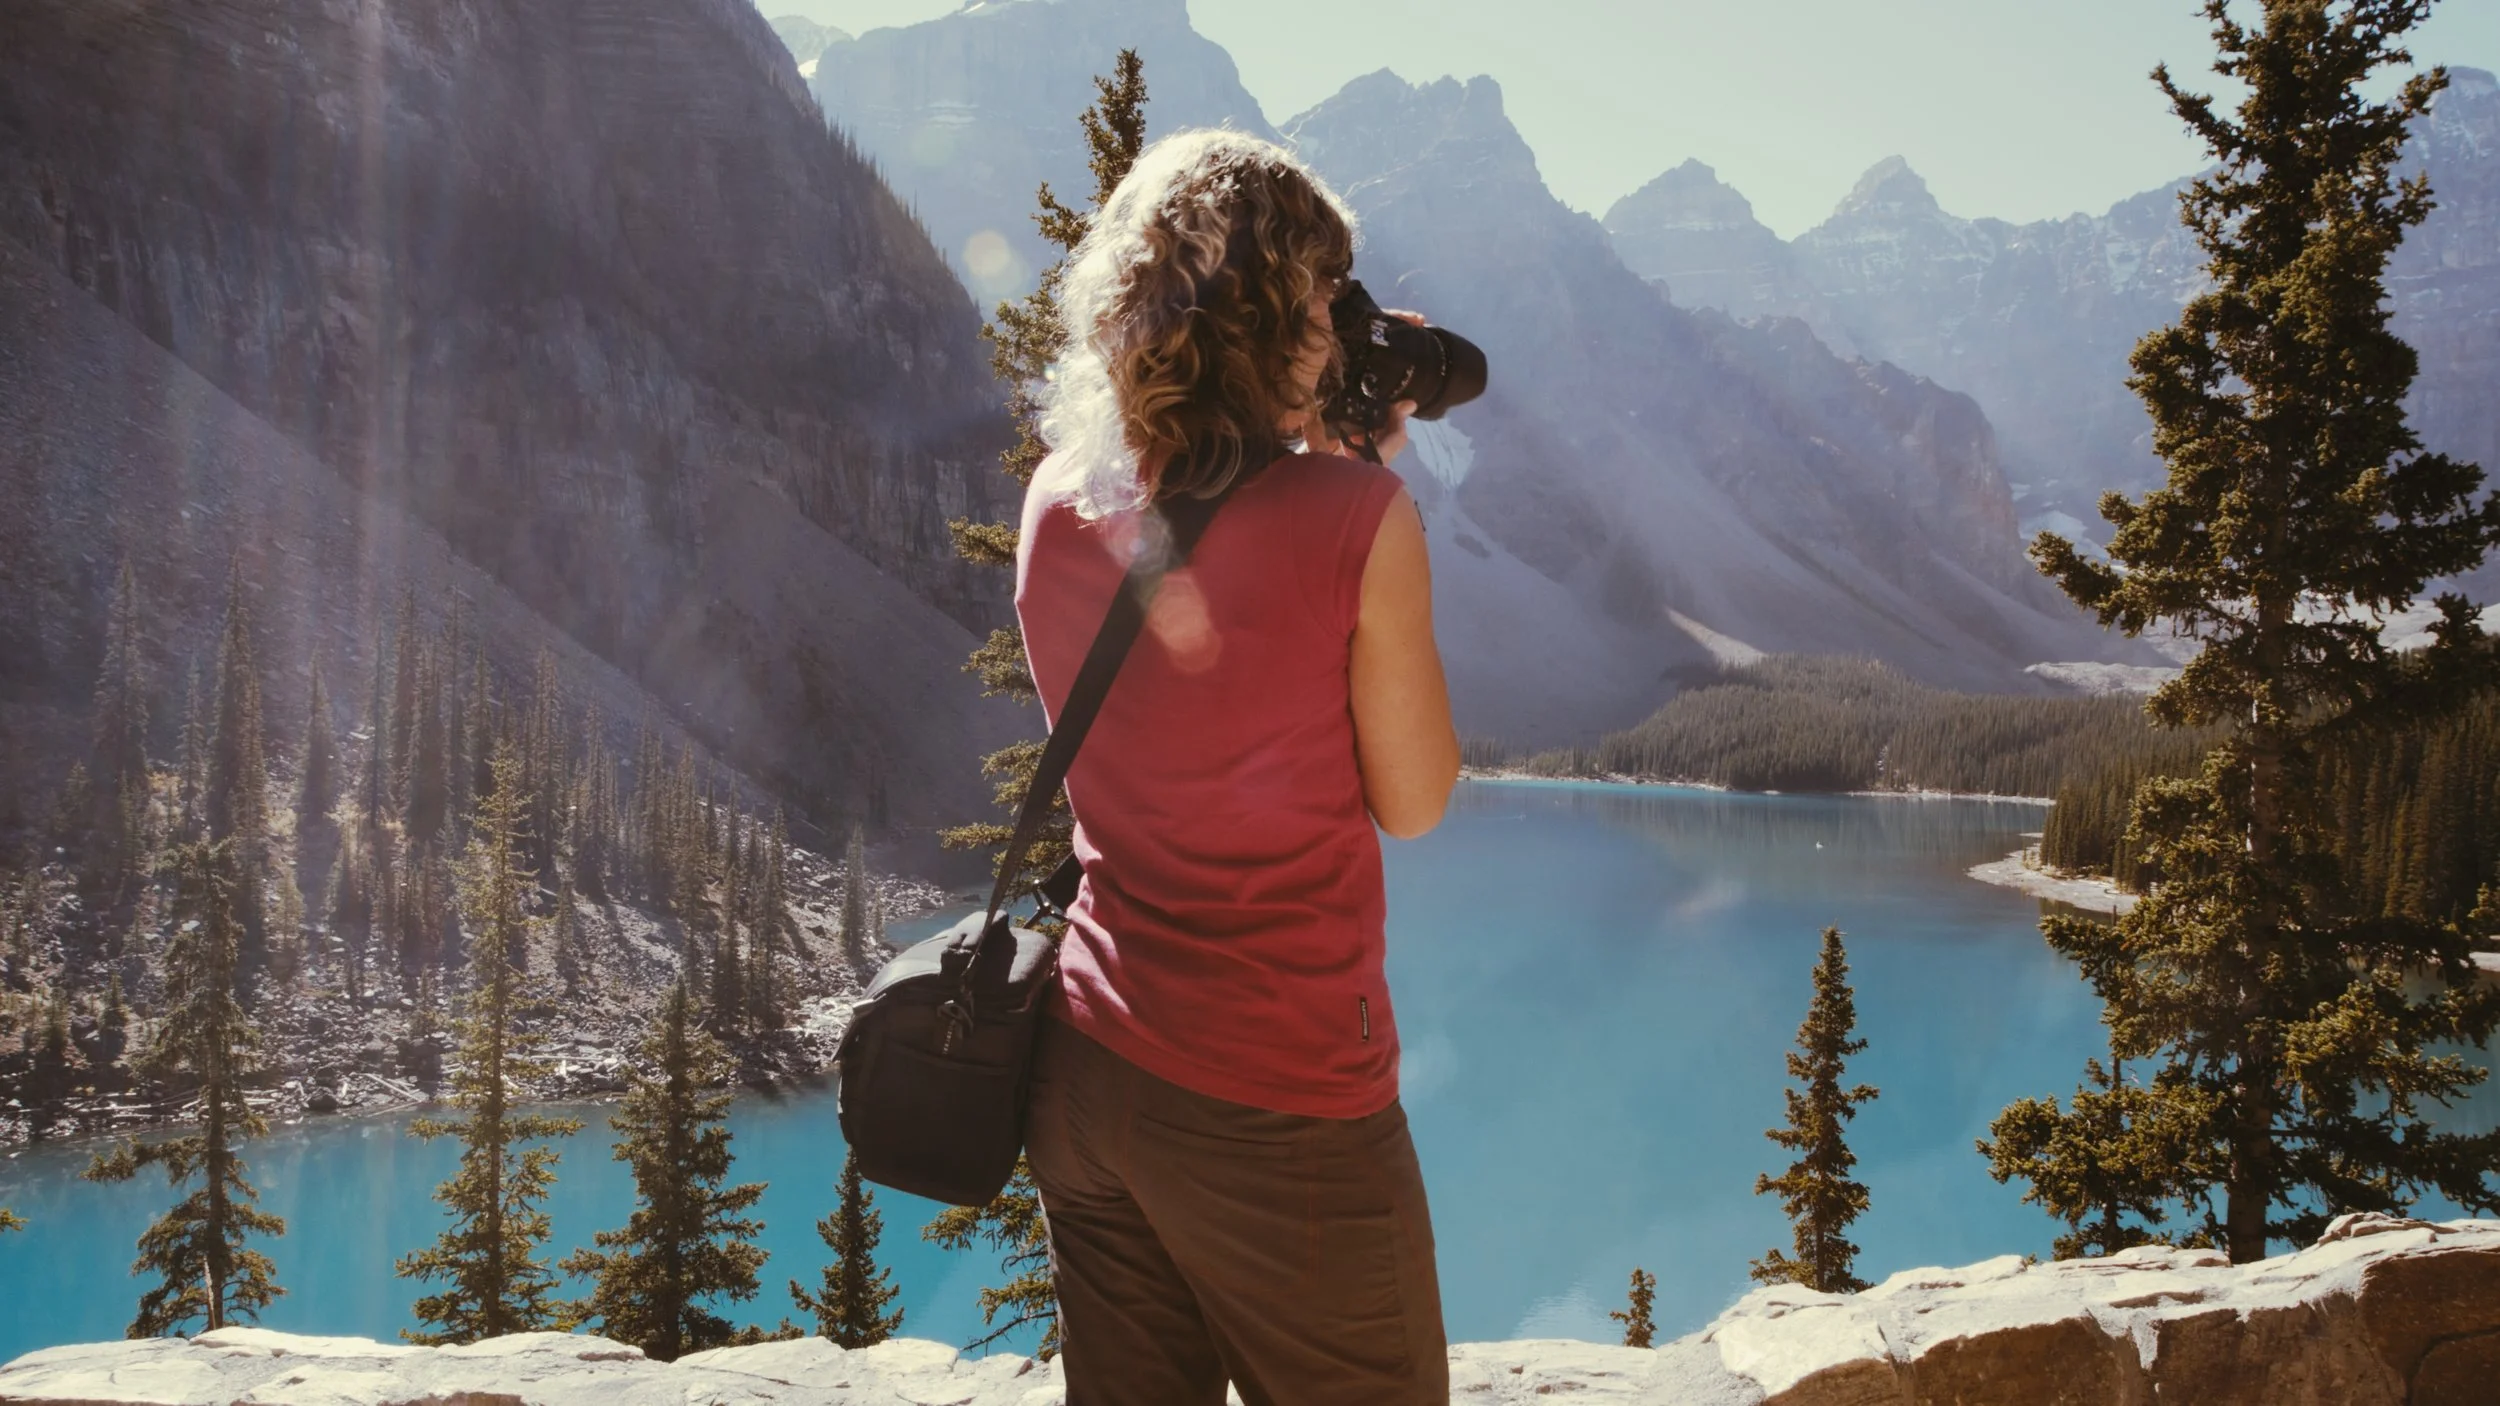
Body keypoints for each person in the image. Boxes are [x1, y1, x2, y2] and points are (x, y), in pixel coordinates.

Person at [1014, 127, 1460, 1405]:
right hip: (1281, 1103)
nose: (1339, 324)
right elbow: (1416, 799)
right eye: (1324, 295)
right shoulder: (1355, 519)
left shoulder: (1057, 497)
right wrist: (1358, 476)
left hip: (1089, 1069)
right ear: (1273, 315)